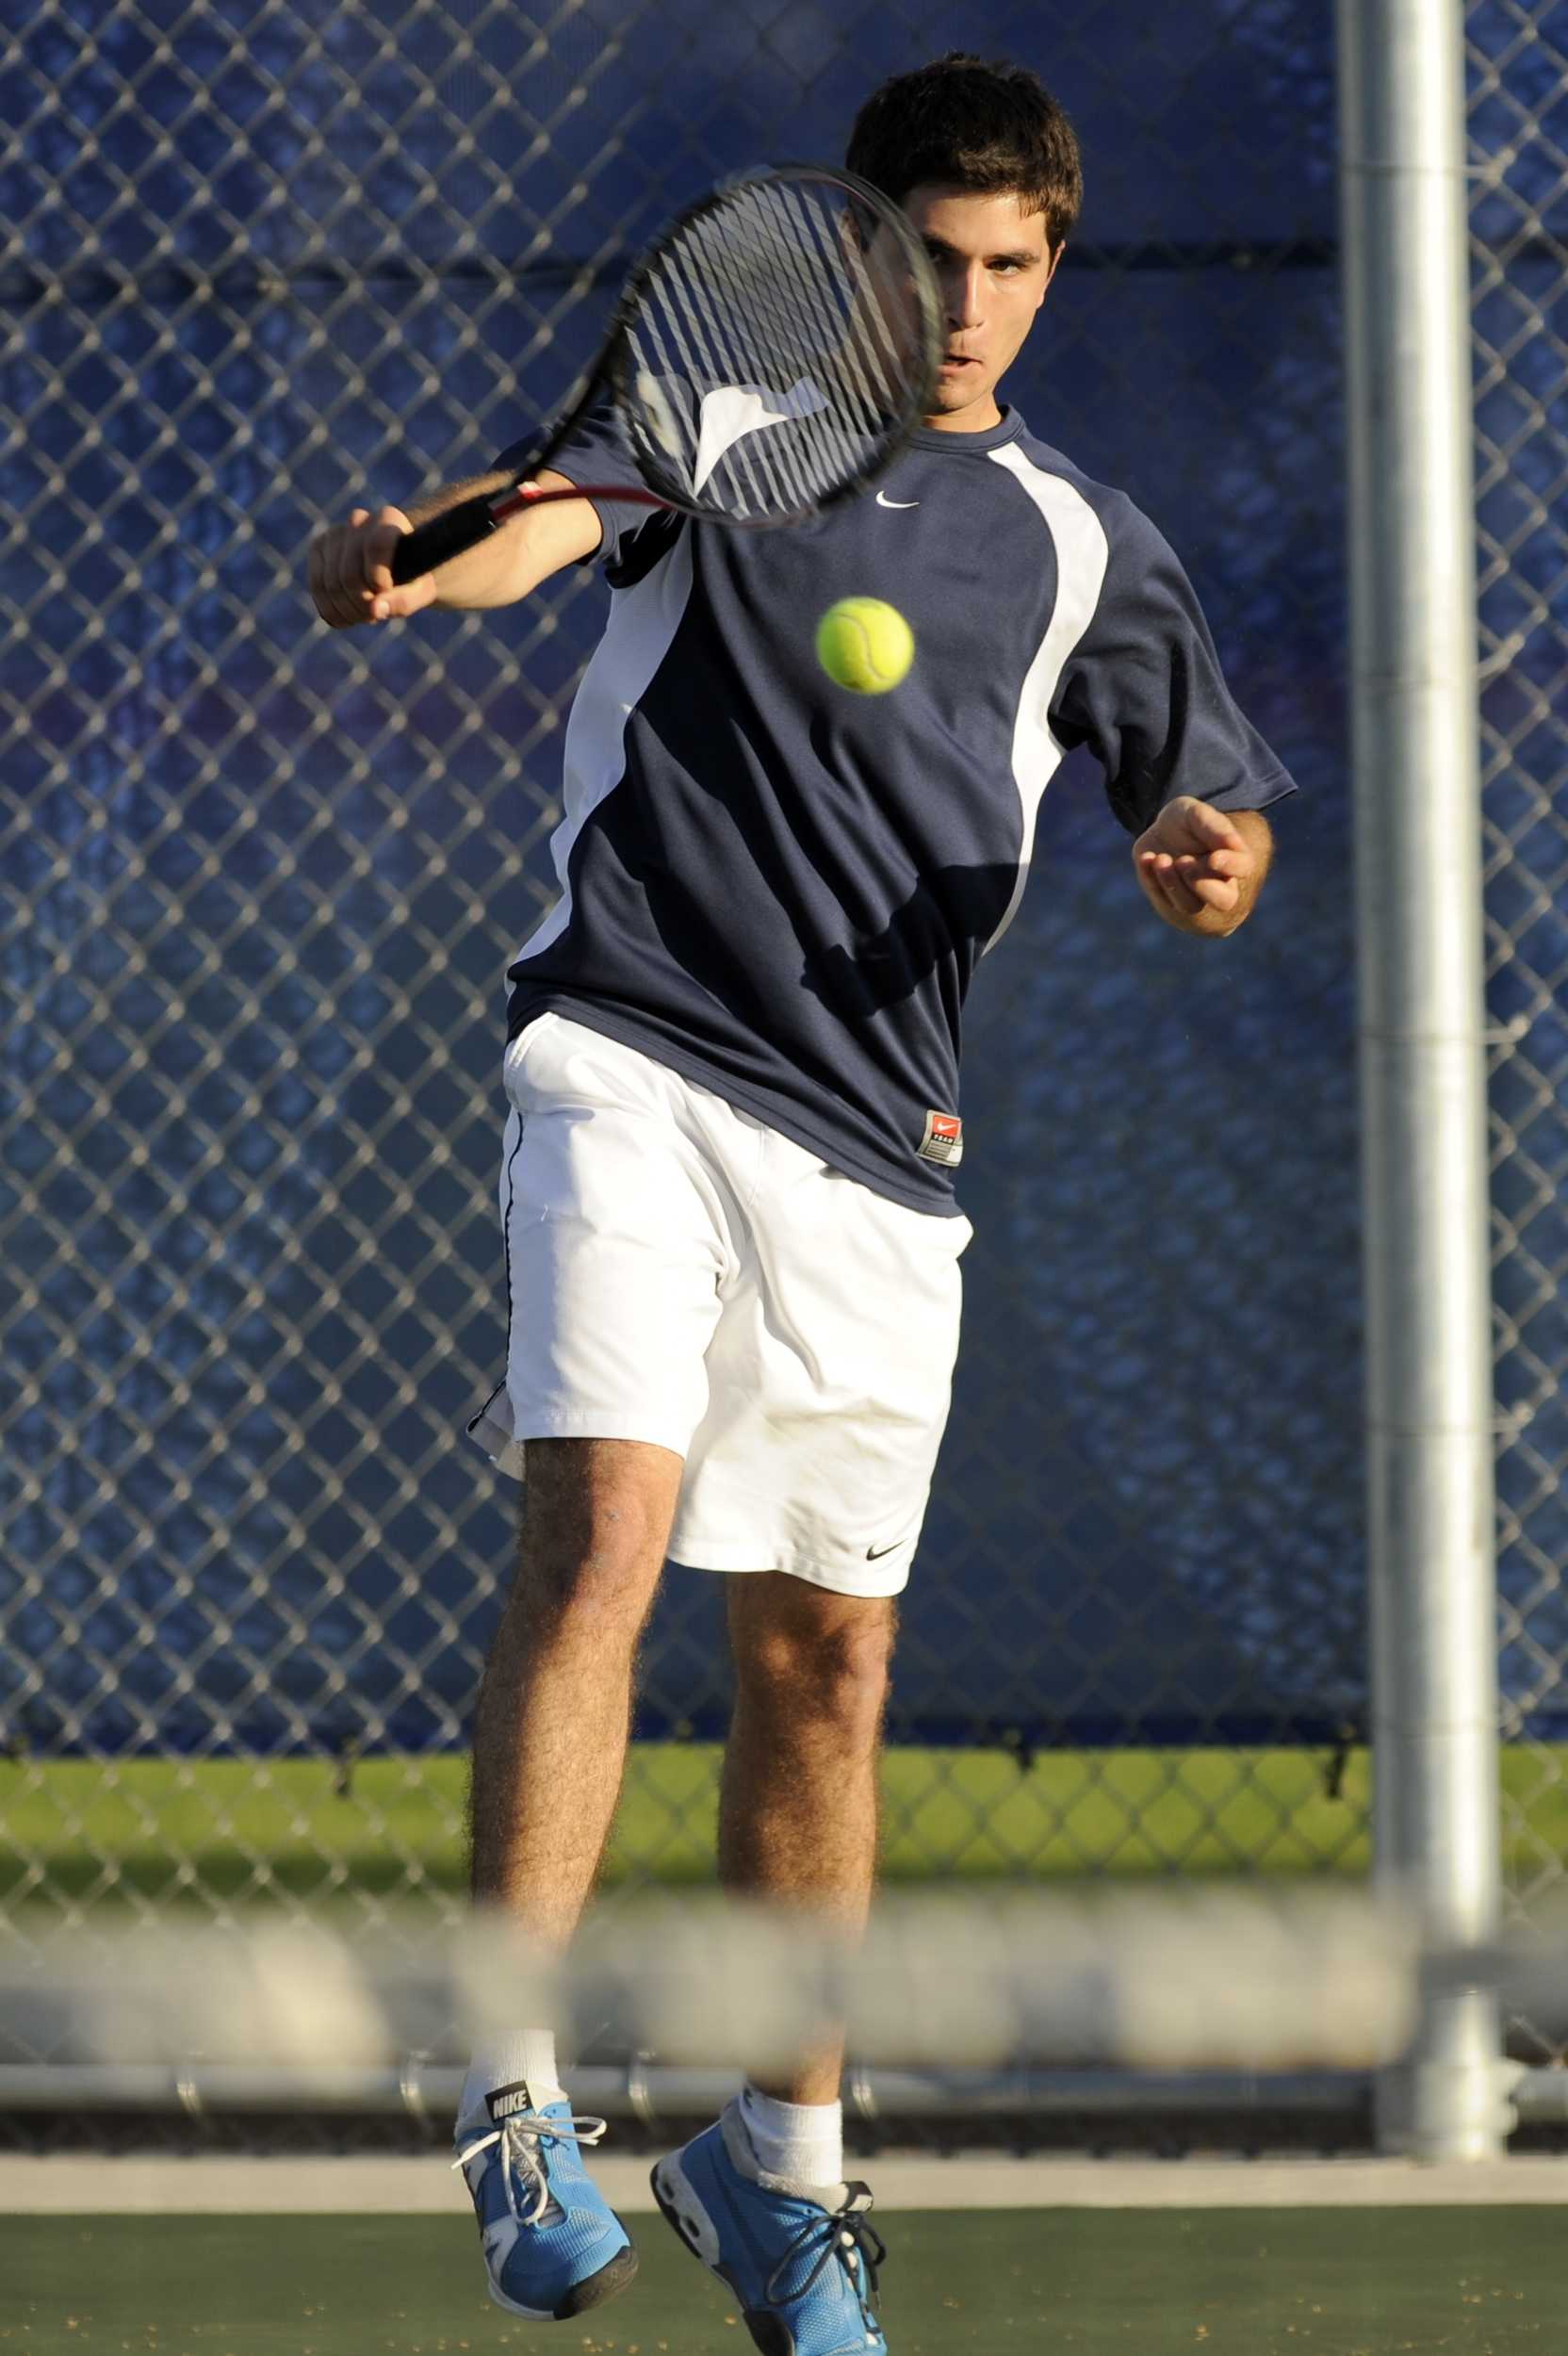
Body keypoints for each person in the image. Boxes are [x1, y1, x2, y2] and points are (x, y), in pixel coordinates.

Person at [307, 50, 1294, 2356]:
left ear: (1052, 270)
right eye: (932, 257)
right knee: (608, 1528)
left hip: (880, 1145)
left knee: (825, 1666)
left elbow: (1210, 822)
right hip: (628, 1044)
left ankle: (781, 2175)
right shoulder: (718, 412)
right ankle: (510, 2088)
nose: (965, 305)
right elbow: (527, 523)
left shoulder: (1082, 546)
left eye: (1007, 267)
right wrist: (393, 564)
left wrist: (1208, 861)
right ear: (865, 247)